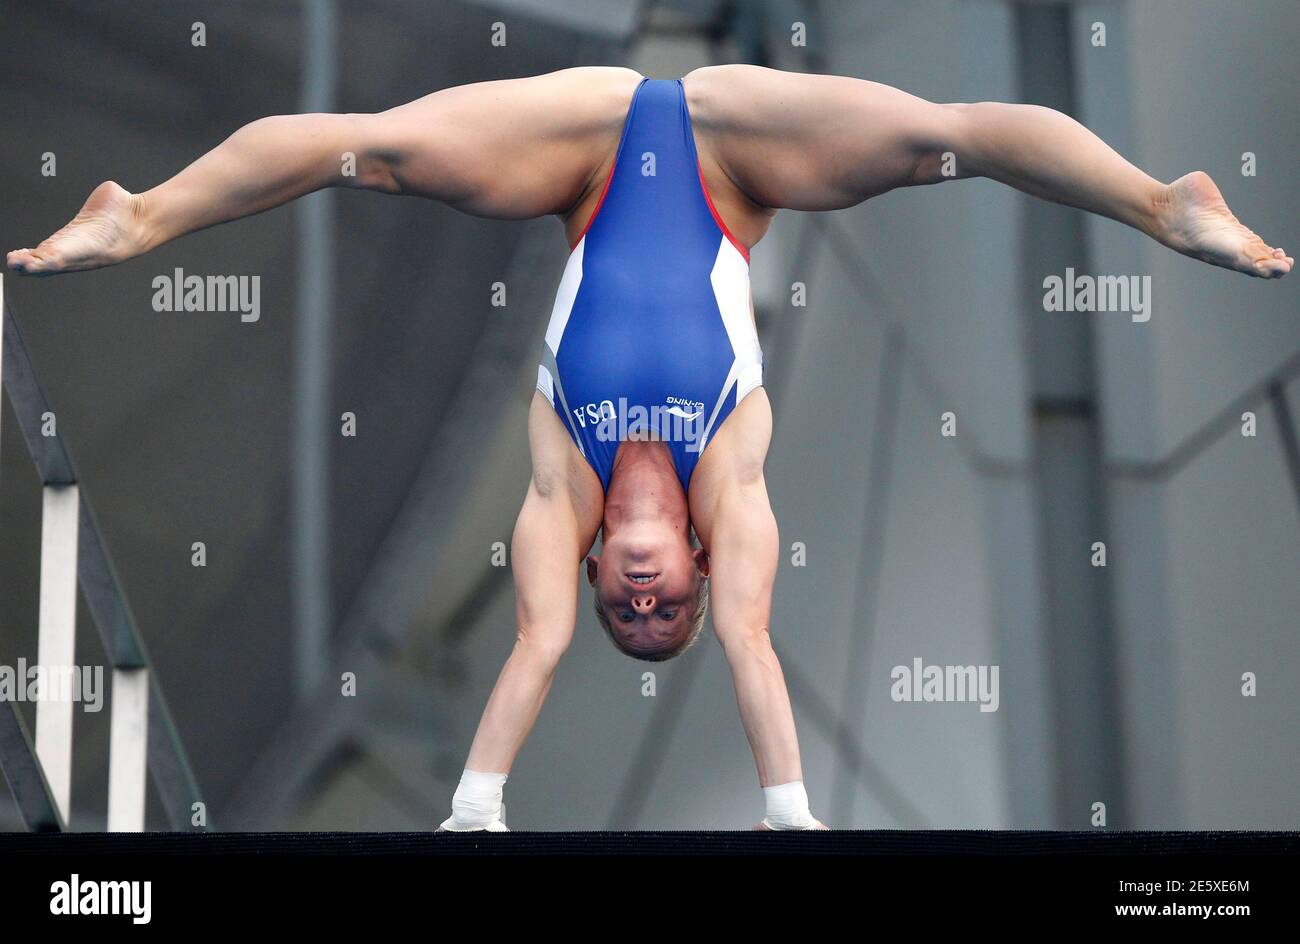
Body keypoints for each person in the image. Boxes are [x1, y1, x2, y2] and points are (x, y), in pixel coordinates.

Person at [8, 65, 1289, 832]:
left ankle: (144, 216)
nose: (641, 597)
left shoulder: (557, 482)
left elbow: (539, 644)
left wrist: (476, 808)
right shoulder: (733, 476)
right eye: (661, 603)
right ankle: (1158, 200)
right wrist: (790, 812)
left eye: (631, 613)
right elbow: (748, 641)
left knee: (379, 149)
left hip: (579, 165)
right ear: (691, 551)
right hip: (735, 163)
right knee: (935, 140)